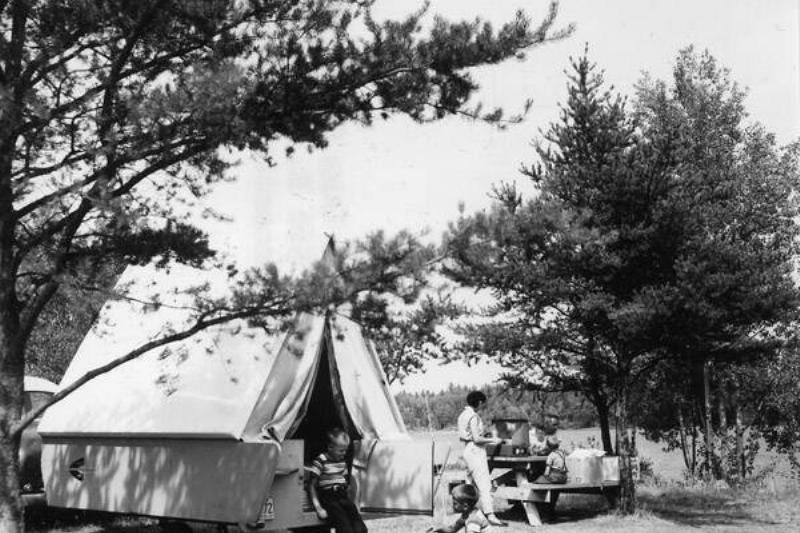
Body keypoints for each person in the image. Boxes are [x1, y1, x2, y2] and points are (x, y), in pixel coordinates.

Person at [457, 391, 507, 527]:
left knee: (469, 484)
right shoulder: (473, 416)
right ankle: (490, 515)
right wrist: (493, 439)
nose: (482, 406)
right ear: (479, 402)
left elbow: (464, 436)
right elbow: (477, 439)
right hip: (475, 451)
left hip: (467, 450)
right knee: (484, 484)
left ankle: (465, 512)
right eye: (482, 403)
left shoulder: (462, 415)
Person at [308, 428, 367, 533]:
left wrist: (354, 500)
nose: (344, 453)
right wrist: (318, 508)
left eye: (345, 450)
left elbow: (345, 483)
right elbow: (312, 485)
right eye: (341, 450)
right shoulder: (321, 460)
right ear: (330, 447)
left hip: (341, 495)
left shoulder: (342, 462)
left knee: (358, 524)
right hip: (328, 497)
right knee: (344, 525)